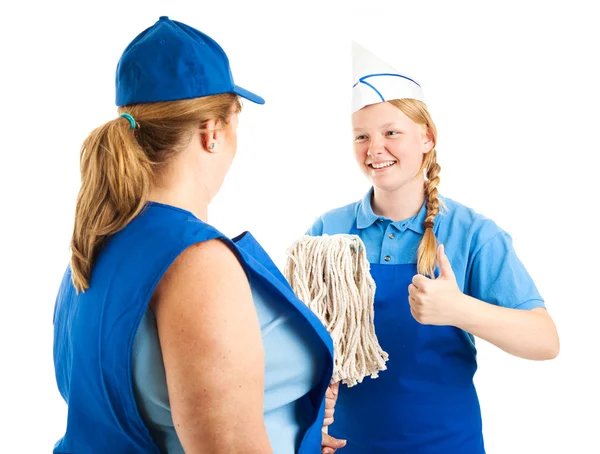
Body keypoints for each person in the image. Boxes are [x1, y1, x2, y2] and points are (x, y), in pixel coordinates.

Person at [52, 16, 345, 454]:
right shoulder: (196, 261)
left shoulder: (94, 246)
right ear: (212, 132)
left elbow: (153, 411)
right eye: (235, 123)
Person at [305, 42, 560, 453]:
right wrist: (309, 417)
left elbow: (545, 340)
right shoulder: (328, 232)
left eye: (392, 133)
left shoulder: (473, 233)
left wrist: (460, 309)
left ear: (427, 138)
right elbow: (300, 345)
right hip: (348, 445)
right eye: (362, 136)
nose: (375, 148)